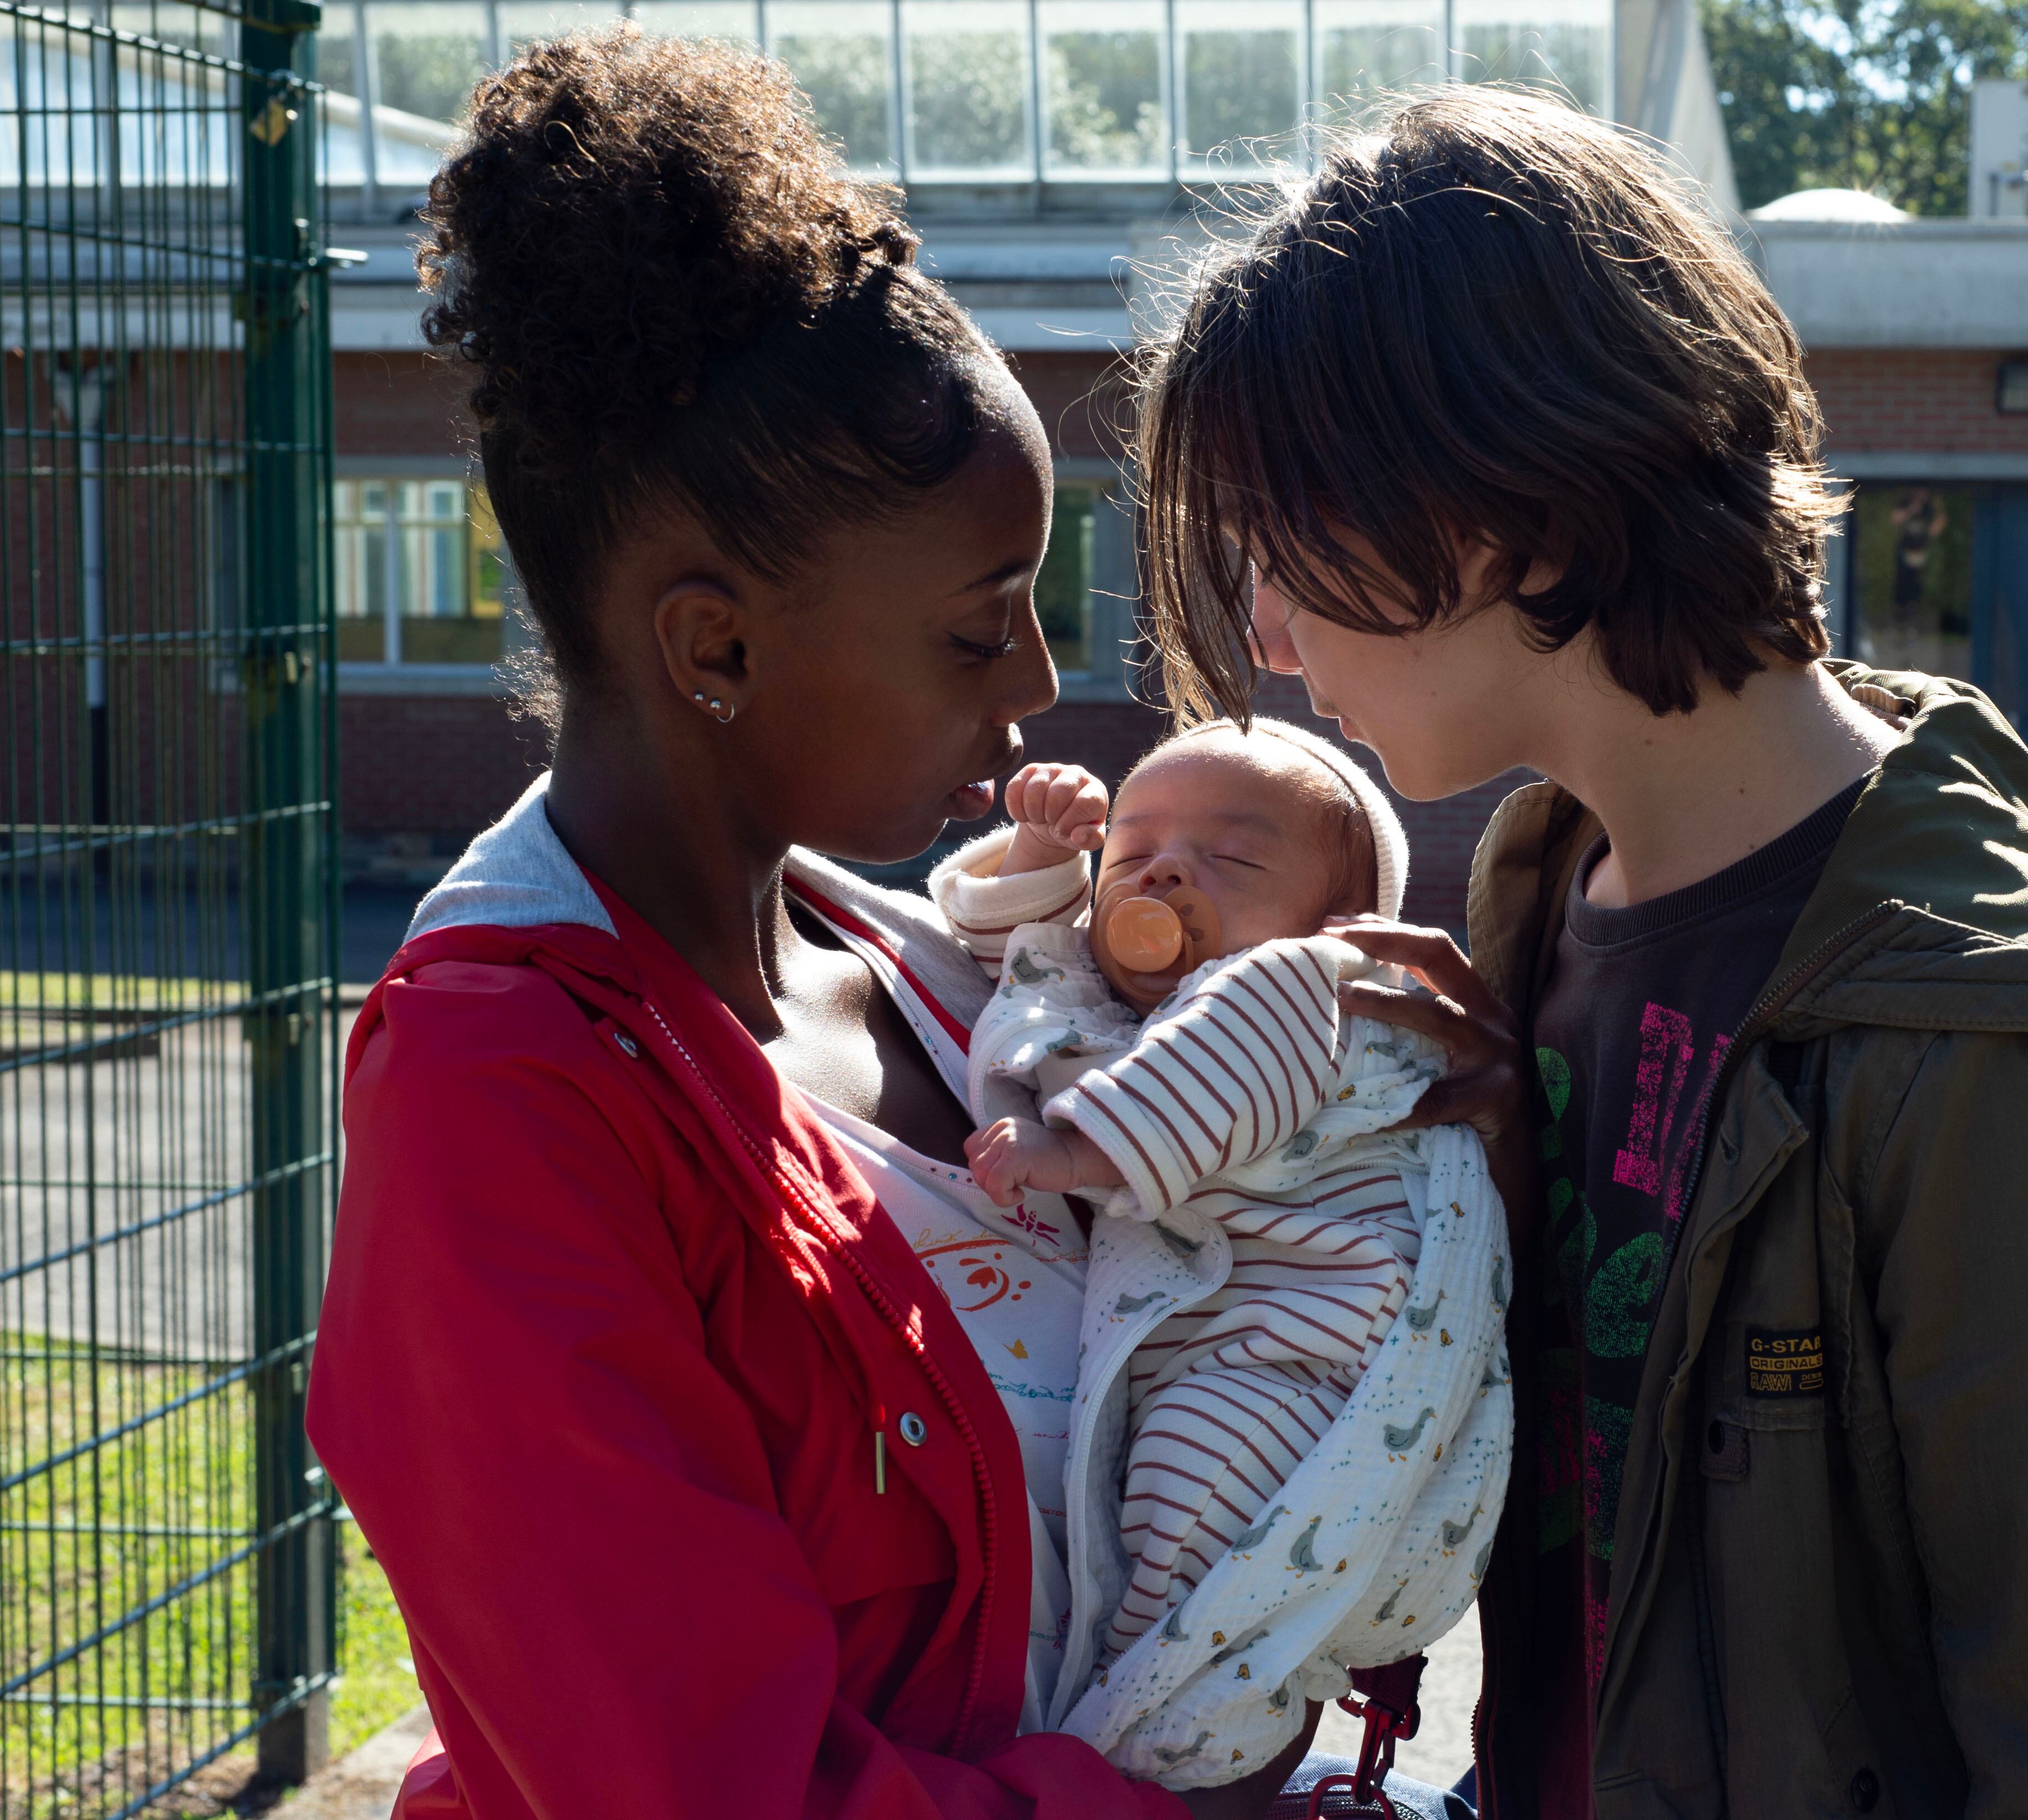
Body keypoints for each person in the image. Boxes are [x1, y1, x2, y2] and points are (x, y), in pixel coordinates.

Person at [307, 29, 1483, 1818]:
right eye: (975, 625)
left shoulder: (944, 968)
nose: (1036, 679)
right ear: (715, 648)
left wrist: (1384, 1118)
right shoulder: (501, 1094)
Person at [1132, 88, 2028, 1819]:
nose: (1268, 633)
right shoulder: (1542, 893)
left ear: (1510, 512)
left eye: (1291, 543)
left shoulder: (1987, 1023)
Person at [933, 727, 1507, 1789]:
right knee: (1165, 1525)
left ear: (1340, 921)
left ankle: (1168, 1737)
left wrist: (1072, 1149)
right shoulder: (1109, 1009)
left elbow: (1210, 1067)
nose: (1166, 873)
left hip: (1305, 1342)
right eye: (1132, 856)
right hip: (1221, 1331)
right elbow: (1018, 970)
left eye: (1231, 859)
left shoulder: (1311, 986)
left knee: (1198, 1498)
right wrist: (1035, 858)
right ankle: (1150, 1700)